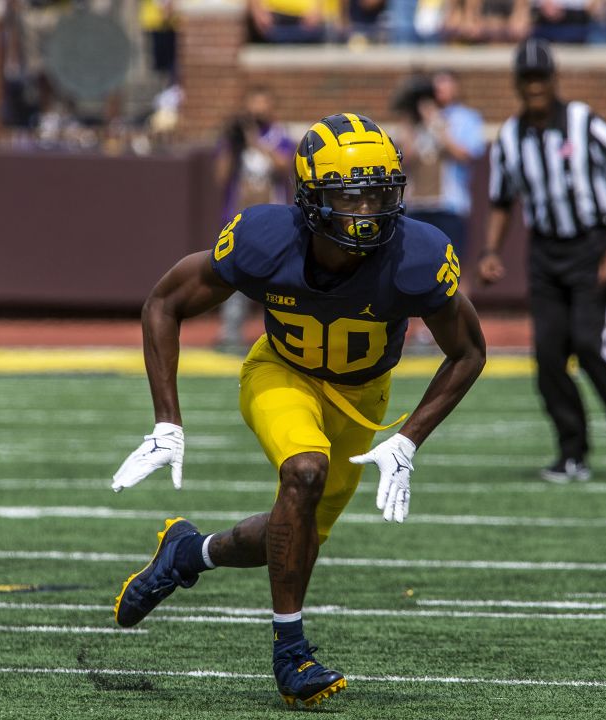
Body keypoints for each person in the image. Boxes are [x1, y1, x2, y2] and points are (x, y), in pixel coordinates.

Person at [109, 113, 487, 708]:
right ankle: (291, 654)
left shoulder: (416, 254)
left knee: (294, 534)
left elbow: (468, 353)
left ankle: (188, 552)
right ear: (311, 199)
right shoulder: (265, 239)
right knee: (303, 473)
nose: (367, 209)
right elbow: (165, 302)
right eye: (350, 194)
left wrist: (409, 438)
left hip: (365, 400)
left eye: (379, 191)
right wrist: (166, 420)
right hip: (281, 372)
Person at [478, 38, 606, 482]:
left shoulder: (584, 122)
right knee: (549, 356)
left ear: (554, 79)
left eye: (541, 78)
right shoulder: (510, 138)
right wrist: (491, 251)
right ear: (517, 84)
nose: (534, 87)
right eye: (527, 79)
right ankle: (572, 452)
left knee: (592, 345)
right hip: (545, 253)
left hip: (593, 246)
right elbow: (502, 201)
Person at [213, 87, 297, 350]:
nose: (257, 112)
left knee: (278, 280)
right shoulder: (235, 142)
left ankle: (283, 335)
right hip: (239, 219)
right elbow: (220, 177)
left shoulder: (280, 137)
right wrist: (233, 144)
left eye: (262, 105)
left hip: (275, 220)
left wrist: (257, 144)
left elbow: (287, 166)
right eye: (253, 106)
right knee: (235, 276)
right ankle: (230, 332)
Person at [392, 69, 485, 263]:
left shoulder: (466, 118)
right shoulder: (415, 120)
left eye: (445, 84)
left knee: (452, 264)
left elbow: (465, 155)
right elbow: (404, 159)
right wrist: (411, 120)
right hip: (416, 205)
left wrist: (436, 123)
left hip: (449, 206)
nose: (438, 90)